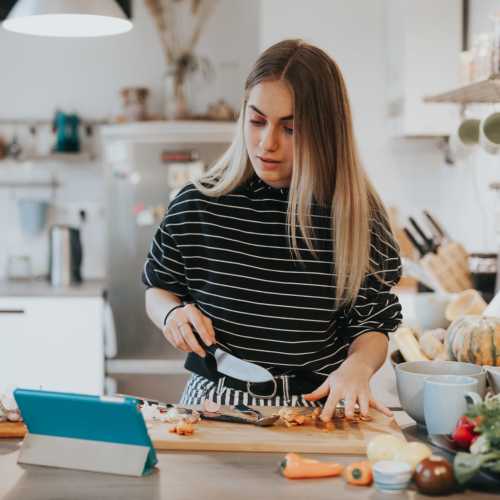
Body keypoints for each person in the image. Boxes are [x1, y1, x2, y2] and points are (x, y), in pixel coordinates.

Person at [143, 39, 402, 421]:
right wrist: (171, 315)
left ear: (326, 131)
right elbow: (159, 288)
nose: (267, 143)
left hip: (317, 410)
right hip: (214, 404)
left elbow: (372, 324)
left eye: (291, 128)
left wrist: (358, 368)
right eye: (257, 120)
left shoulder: (357, 217)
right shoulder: (198, 204)